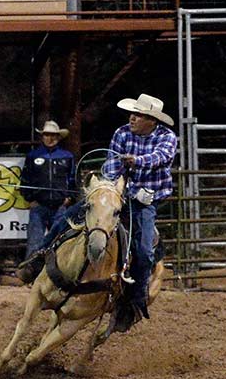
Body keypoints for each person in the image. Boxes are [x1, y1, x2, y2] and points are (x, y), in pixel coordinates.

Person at [18, 94, 176, 321]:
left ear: (151, 120)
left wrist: (136, 161)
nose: (132, 118)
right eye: (132, 113)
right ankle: (38, 259)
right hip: (115, 194)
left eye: (138, 115)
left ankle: (136, 300)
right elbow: (111, 166)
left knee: (143, 250)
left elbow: (161, 157)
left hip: (144, 203)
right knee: (68, 217)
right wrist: (107, 188)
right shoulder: (122, 133)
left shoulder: (166, 137)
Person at [19, 121, 75, 259]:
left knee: (60, 242)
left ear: (58, 137)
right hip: (39, 206)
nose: (50, 138)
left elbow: (73, 178)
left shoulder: (67, 156)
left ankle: (57, 275)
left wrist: (69, 198)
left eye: (53, 135)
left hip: (60, 207)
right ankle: (31, 274)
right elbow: (25, 179)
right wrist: (30, 199)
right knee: (34, 242)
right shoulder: (33, 156)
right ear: (42, 137)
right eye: (47, 135)